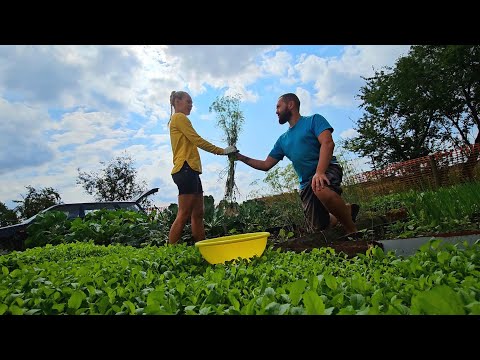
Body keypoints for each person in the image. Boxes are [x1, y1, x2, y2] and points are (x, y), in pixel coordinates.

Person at [235, 93, 359, 236]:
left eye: (278, 106)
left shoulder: (313, 120)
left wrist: (319, 172)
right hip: (306, 184)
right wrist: (240, 157)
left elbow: (328, 143)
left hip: (326, 169)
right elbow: (265, 165)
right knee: (321, 227)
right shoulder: (282, 140)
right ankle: (346, 211)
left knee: (320, 187)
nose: (276, 111)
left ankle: (352, 230)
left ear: (291, 105)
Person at [168, 90, 238, 244]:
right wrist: (222, 151)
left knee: (198, 213)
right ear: (177, 101)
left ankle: (202, 249)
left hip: (191, 170)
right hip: (185, 169)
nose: (191, 105)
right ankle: (169, 252)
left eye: (192, 102)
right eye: (188, 101)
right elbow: (197, 140)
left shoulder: (178, 119)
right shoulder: (179, 117)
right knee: (184, 213)